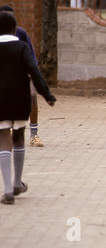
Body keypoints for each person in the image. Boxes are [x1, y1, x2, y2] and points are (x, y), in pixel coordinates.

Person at [0, 12, 56, 204]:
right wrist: (47, 95)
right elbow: (34, 70)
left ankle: (7, 189)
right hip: (20, 99)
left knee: (3, 140)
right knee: (18, 138)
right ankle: (17, 183)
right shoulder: (22, 47)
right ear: (15, 30)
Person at [0, 5, 45, 147]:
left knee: (32, 95)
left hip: (20, 75)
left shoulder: (20, 33)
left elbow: (31, 58)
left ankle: (34, 134)